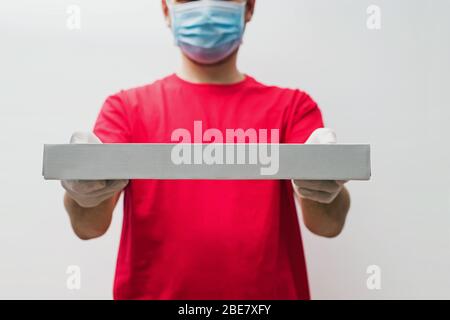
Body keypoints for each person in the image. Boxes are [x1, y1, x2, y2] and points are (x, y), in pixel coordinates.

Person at [61, 0, 351, 300]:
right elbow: (89, 226)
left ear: (249, 7)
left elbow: (328, 224)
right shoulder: (126, 110)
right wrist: (80, 192)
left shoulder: (292, 109)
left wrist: (326, 184)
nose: (208, 7)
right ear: (166, 10)